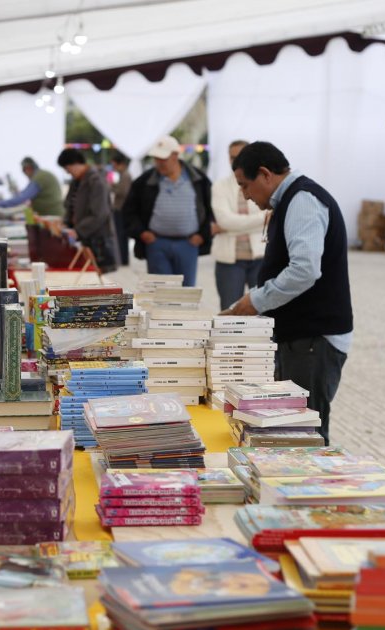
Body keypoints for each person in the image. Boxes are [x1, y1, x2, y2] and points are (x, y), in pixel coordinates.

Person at [221, 141, 353, 444]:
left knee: (303, 435)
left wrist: (256, 301)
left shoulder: (303, 200)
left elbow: (304, 270)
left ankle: (314, 489)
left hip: (313, 340)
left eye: (245, 186)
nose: (244, 195)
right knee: (289, 431)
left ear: (265, 174)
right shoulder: (288, 201)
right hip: (300, 338)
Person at [121, 135, 213, 286]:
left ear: (176, 155)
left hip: (188, 244)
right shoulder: (144, 182)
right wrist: (141, 233)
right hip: (157, 244)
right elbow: (128, 211)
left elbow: (212, 209)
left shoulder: (198, 179)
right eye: (156, 159)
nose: (159, 163)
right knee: (161, 292)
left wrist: (203, 235)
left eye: (163, 158)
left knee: (186, 292)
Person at [211, 140, 267, 309]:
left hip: (260, 258)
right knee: (230, 313)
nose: (235, 161)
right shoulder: (219, 186)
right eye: (232, 157)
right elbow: (224, 220)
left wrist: (229, 228)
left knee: (264, 312)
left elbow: (271, 215)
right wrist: (261, 220)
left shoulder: (263, 183)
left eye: (240, 156)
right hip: (229, 261)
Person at [57, 149, 120, 274]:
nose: (68, 172)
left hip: (98, 241)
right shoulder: (76, 181)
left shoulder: (96, 181)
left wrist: (78, 230)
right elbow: (69, 205)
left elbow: (99, 213)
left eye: (68, 168)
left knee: (97, 281)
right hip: (84, 238)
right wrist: (65, 223)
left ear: (76, 163)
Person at [0, 157, 64, 218]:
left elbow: (22, 198)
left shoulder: (40, 178)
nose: (25, 174)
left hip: (52, 216)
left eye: (24, 171)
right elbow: (22, 195)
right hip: (51, 215)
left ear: (28, 168)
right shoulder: (41, 175)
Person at [109, 151, 132, 266]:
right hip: (119, 208)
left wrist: (112, 188)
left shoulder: (125, 175)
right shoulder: (123, 175)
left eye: (115, 165)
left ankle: (123, 258)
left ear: (121, 164)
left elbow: (123, 192)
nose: (114, 168)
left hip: (122, 208)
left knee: (121, 235)